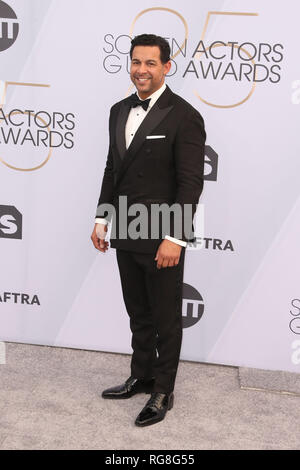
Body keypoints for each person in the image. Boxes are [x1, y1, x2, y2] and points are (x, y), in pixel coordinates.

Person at [91, 34, 206, 427]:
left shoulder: (184, 115)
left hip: (161, 234)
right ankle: (141, 375)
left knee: (165, 316)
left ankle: (162, 390)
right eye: (136, 62)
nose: (141, 70)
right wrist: (102, 218)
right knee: (138, 311)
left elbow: (190, 183)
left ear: (166, 67)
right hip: (125, 225)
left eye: (151, 63)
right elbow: (112, 168)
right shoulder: (118, 110)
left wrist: (175, 237)